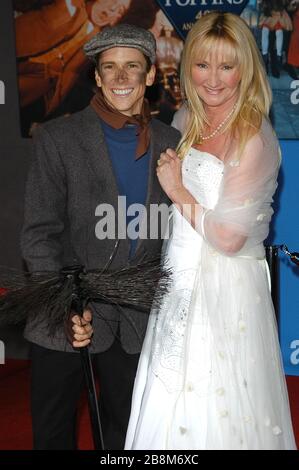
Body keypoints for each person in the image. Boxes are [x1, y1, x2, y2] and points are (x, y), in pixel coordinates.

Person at [124, 12, 297, 450]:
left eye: (227, 66)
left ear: (246, 69)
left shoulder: (252, 136)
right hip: (179, 276)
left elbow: (229, 238)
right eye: (203, 64)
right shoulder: (185, 120)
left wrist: (178, 189)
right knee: (169, 389)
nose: (213, 79)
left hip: (226, 286)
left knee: (217, 396)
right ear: (188, 67)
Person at [21, 23, 180, 450]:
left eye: (132, 67)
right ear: (96, 76)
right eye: (109, 67)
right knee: (54, 433)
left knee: (127, 436)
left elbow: (173, 240)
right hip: (63, 314)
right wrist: (64, 306)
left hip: (134, 318)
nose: (121, 78)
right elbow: (40, 234)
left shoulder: (172, 142)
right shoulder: (58, 138)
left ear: (149, 75)